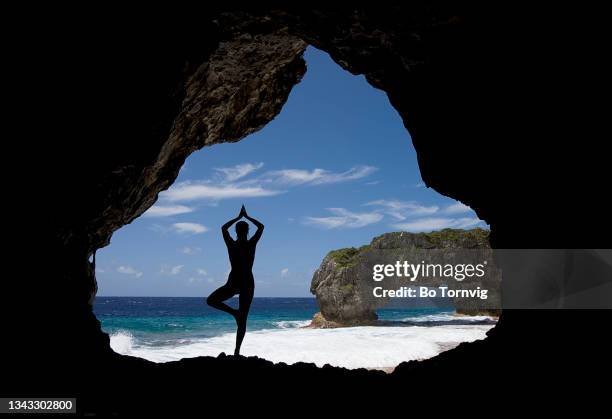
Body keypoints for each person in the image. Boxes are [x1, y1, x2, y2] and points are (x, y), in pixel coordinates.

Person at [206, 205, 264, 355]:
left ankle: (234, 314)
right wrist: (247, 217)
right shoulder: (251, 244)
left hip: (234, 281)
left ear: (236, 232)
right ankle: (237, 351)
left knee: (211, 300)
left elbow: (223, 228)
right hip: (247, 282)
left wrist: (238, 217)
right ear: (247, 231)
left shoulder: (232, 244)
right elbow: (261, 226)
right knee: (243, 318)